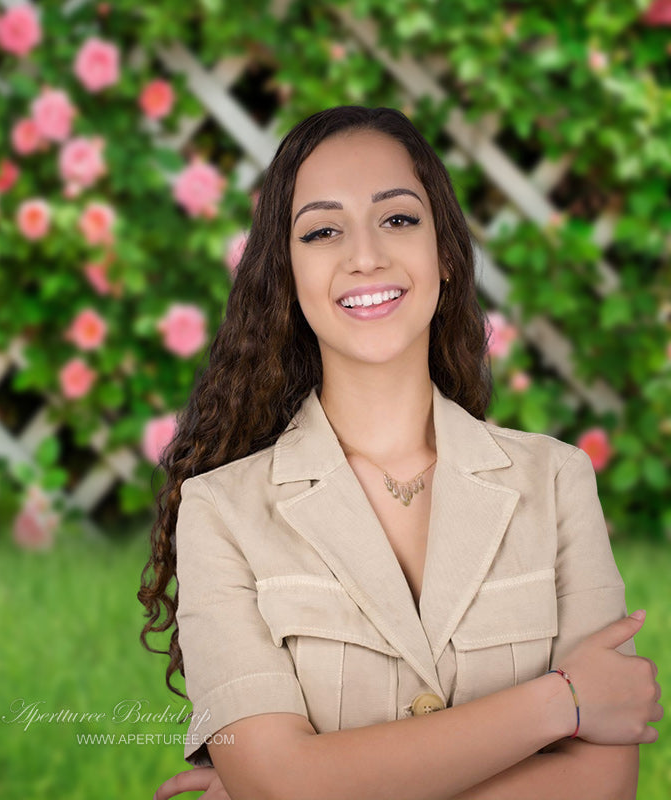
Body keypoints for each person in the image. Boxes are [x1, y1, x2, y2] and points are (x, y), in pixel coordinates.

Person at [139, 106, 662, 800]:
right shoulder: (219, 512)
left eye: (398, 219)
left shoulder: (557, 481)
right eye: (323, 231)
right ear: (287, 277)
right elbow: (281, 785)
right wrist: (561, 702)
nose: (365, 255)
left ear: (443, 251)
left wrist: (311, 783)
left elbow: (603, 786)